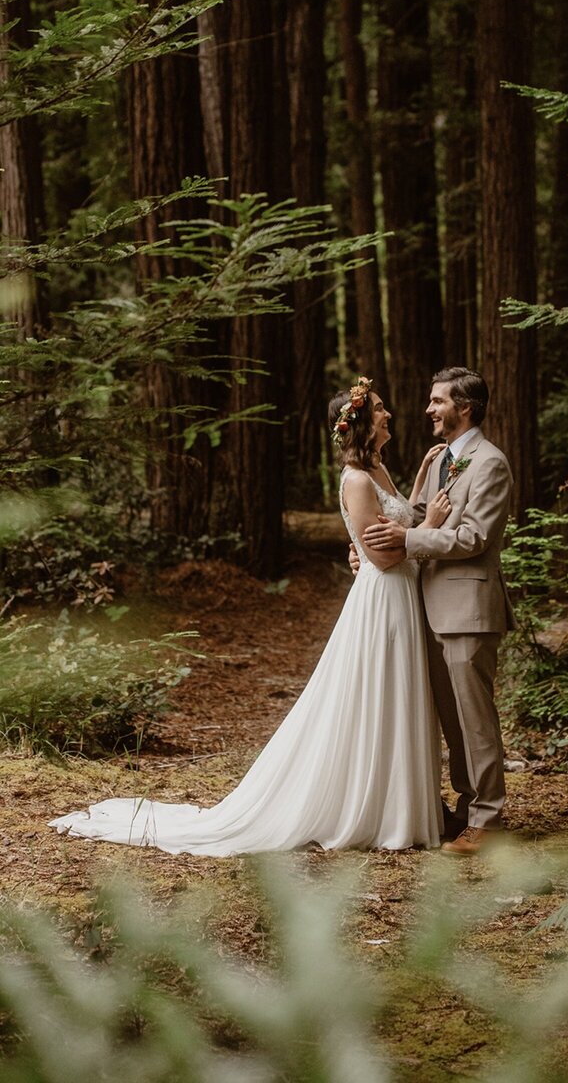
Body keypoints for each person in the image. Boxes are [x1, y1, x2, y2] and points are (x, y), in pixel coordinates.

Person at [49, 378, 452, 856]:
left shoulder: (380, 470)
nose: (390, 414)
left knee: (396, 696)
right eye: (381, 409)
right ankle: (371, 811)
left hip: (399, 596)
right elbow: (381, 556)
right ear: (363, 422)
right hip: (383, 599)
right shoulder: (358, 480)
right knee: (373, 695)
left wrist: (420, 491)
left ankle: (398, 805)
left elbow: (391, 529)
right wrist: (425, 528)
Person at [361, 367, 515, 857]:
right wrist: (373, 548)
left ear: (463, 407)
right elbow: (417, 519)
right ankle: (466, 808)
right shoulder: (444, 459)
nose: (428, 409)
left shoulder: (489, 463)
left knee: (474, 719)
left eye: (437, 401)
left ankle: (488, 820)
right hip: (425, 606)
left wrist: (406, 541)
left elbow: (473, 538)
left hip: (468, 608)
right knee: (450, 721)